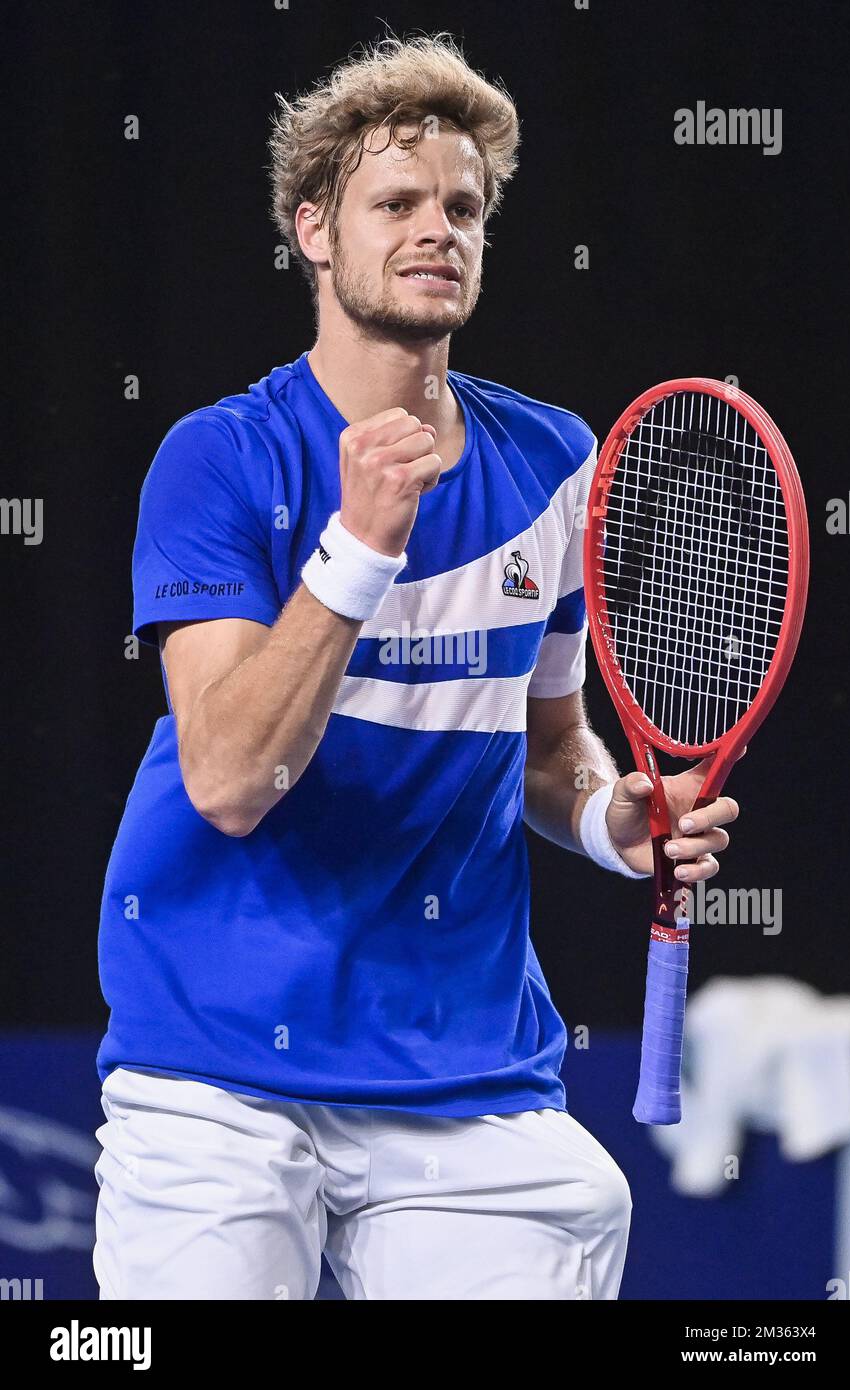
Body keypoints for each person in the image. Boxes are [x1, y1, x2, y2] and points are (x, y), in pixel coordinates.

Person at [93, 33, 738, 1301]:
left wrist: (614, 823)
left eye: (463, 206)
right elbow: (227, 777)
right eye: (397, 203)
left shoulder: (555, 462)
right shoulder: (218, 458)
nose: (436, 227)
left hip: (457, 1070)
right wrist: (358, 550)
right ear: (314, 232)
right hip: (215, 1061)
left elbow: (552, 751)